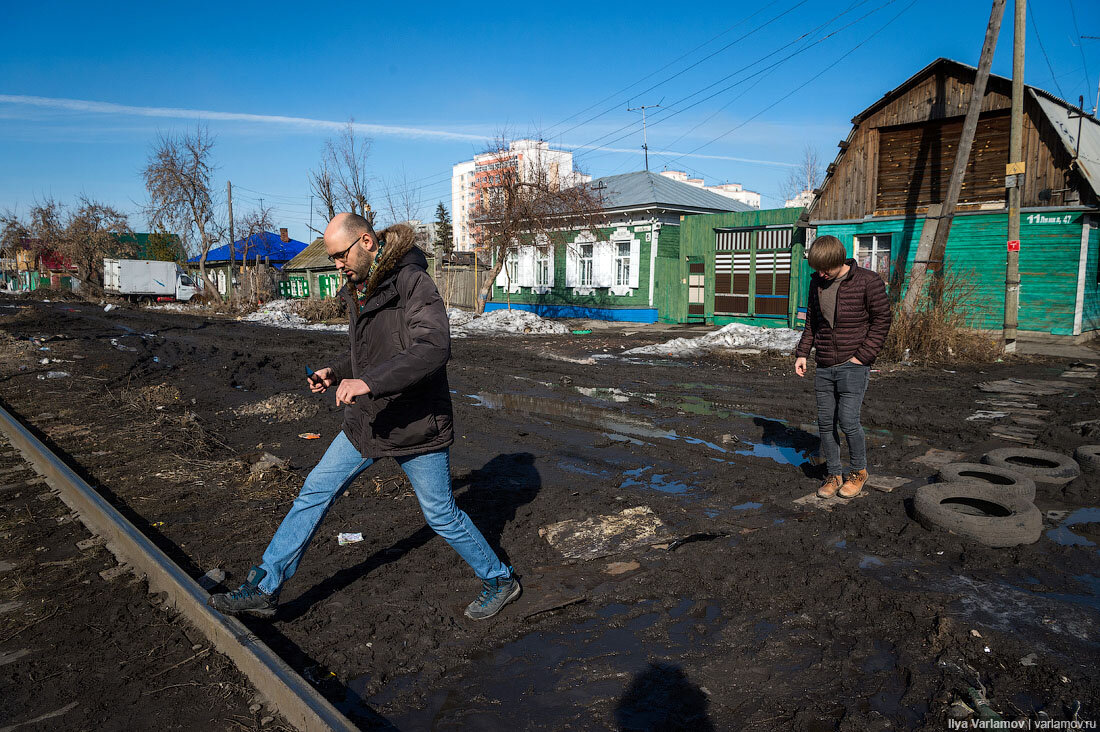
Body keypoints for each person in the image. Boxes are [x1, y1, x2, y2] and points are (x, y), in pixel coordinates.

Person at [210, 213, 521, 621]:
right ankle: (265, 587)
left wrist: (367, 382)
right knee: (315, 491)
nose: (337, 263)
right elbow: (371, 353)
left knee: (441, 514)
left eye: (341, 255)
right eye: (333, 257)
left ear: (368, 243)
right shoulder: (360, 285)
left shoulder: (413, 281)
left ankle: (499, 579)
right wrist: (337, 372)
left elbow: (433, 348)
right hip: (368, 421)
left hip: (415, 423)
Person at [794, 235, 892, 500]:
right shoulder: (817, 282)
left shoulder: (867, 281)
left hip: (853, 365)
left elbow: (882, 320)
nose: (821, 274)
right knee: (825, 423)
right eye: (817, 269)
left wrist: (863, 357)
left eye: (826, 269)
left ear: (840, 261)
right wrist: (803, 353)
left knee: (848, 421)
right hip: (824, 364)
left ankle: (858, 472)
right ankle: (834, 474)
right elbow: (812, 322)